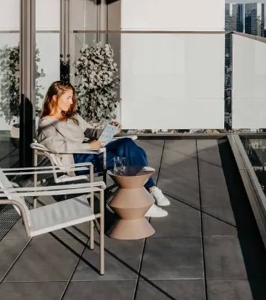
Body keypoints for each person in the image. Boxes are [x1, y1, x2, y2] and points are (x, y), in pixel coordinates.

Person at [37, 81, 170, 218]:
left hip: (92, 149)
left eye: (72, 98)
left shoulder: (72, 116)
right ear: (54, 98)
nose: (71, 102)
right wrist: (89, 146)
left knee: (127, 143)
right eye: (68, 98)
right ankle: (145, 199)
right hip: (77, 158)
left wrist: (109, 130)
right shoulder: (46, 123)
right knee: (130, 158)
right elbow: (56, 146)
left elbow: (89, 131)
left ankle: (150, 190)